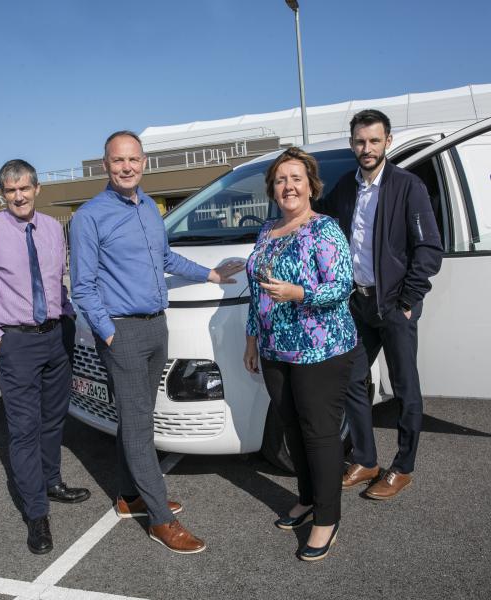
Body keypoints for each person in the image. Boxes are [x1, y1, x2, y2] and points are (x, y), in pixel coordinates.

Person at [69, 131, 244, 555]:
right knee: (140, 423)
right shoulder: (89, 217)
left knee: (137, 417)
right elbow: (83, 285)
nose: (126, 167)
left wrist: (212, 275)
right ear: (105, 165)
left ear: (144, 162)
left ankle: (131, 497)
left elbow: (166, 259)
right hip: (122, 331)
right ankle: (161, 521)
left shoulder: (150, 207)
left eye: (132, 159)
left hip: (155, 326)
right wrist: (106, 331)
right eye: (117, 161)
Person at [0, 159, 90, 555]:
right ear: (3, 193)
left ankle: (52, 481)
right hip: (15, 342)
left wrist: (67, 321)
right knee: (23, 430)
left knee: (53, 420)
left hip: (55, 337)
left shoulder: (53, 229)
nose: (18, 196)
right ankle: (36, 513)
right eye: (10, 190)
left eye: (24, 188)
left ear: (37, 189)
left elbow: (56, 283)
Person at [317, 109, 443, 499]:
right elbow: (322, 233)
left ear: (387, 141)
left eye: (374, 140)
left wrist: (408, 300)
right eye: (359, 141)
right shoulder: (344, 189)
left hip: (394, 305)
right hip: (358, 304)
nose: (366, 148)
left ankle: (402, 466)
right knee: (353, 380)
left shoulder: (407, 187)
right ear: (352, 142)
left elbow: (428, 248)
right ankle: (367, 459)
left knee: (405, 387)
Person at [243, 147, 357, 562]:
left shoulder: (325, 229)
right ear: (272, 190)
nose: (288, 186)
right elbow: (256, 293)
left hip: (321, 349)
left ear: (311, 185)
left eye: (295, 178)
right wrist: (252, 338)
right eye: (280, 180)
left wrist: (299, 293)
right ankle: (308, 499)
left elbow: (342, 286)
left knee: (320, 434)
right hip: (276, 348)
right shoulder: (268, 230)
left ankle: (327, 518)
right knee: (292, 429)